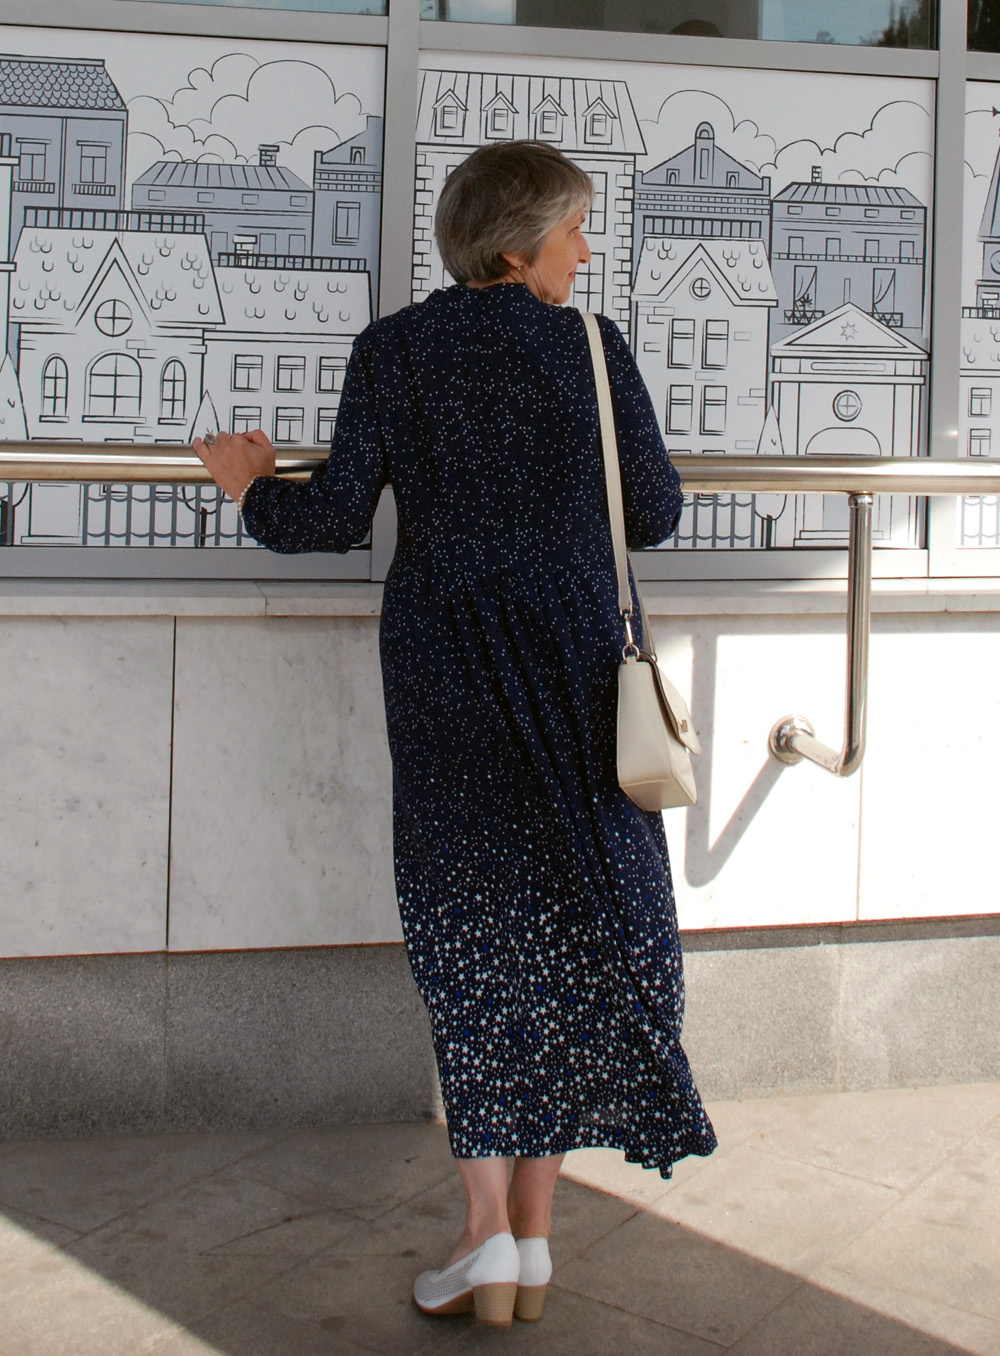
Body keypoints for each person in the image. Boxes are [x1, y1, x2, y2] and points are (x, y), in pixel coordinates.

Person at [193, 140, 717, 1330]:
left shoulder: (397, 349)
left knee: (472, 932)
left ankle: (485, 1238)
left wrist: (248, 484)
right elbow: (656, 511)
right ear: (519, 244)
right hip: (576, 666)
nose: (585, 249)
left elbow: (331, 517)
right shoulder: (593, 349)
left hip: (445, 672)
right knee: (577, 922)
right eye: (573, 228)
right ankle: (529, 1236)